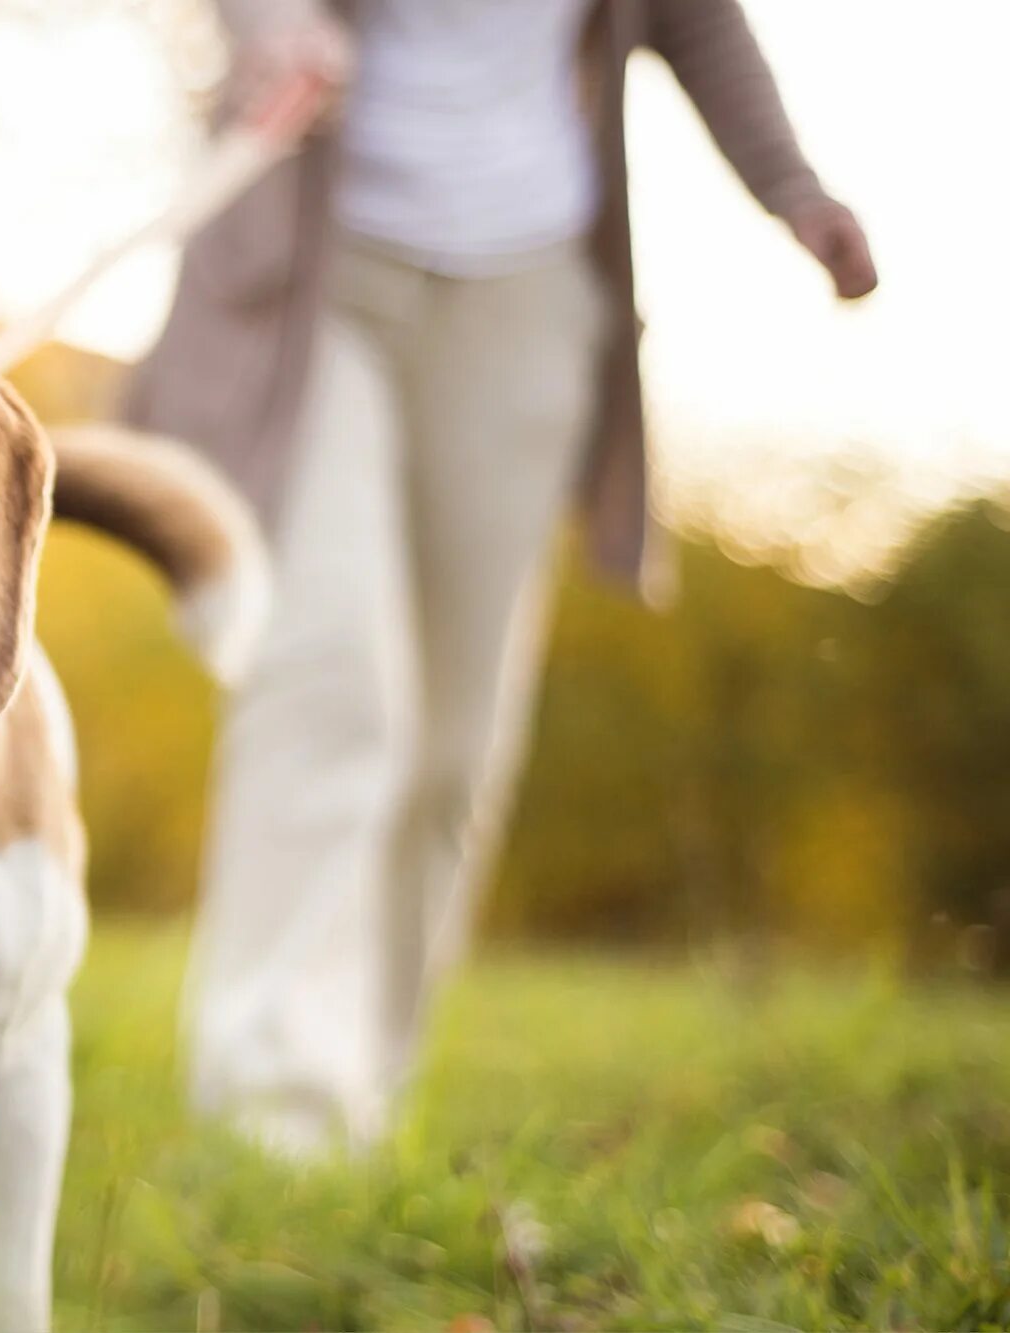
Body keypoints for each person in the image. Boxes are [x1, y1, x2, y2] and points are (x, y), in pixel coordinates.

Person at [130, 0, 878, 1157]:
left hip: (527, 287)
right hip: (316, 259)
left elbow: (695, 20)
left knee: (452, 737)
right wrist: (274, 18)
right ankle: (269, 1106)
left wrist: (791, 186)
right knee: (329, 674)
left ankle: (360, 1087)